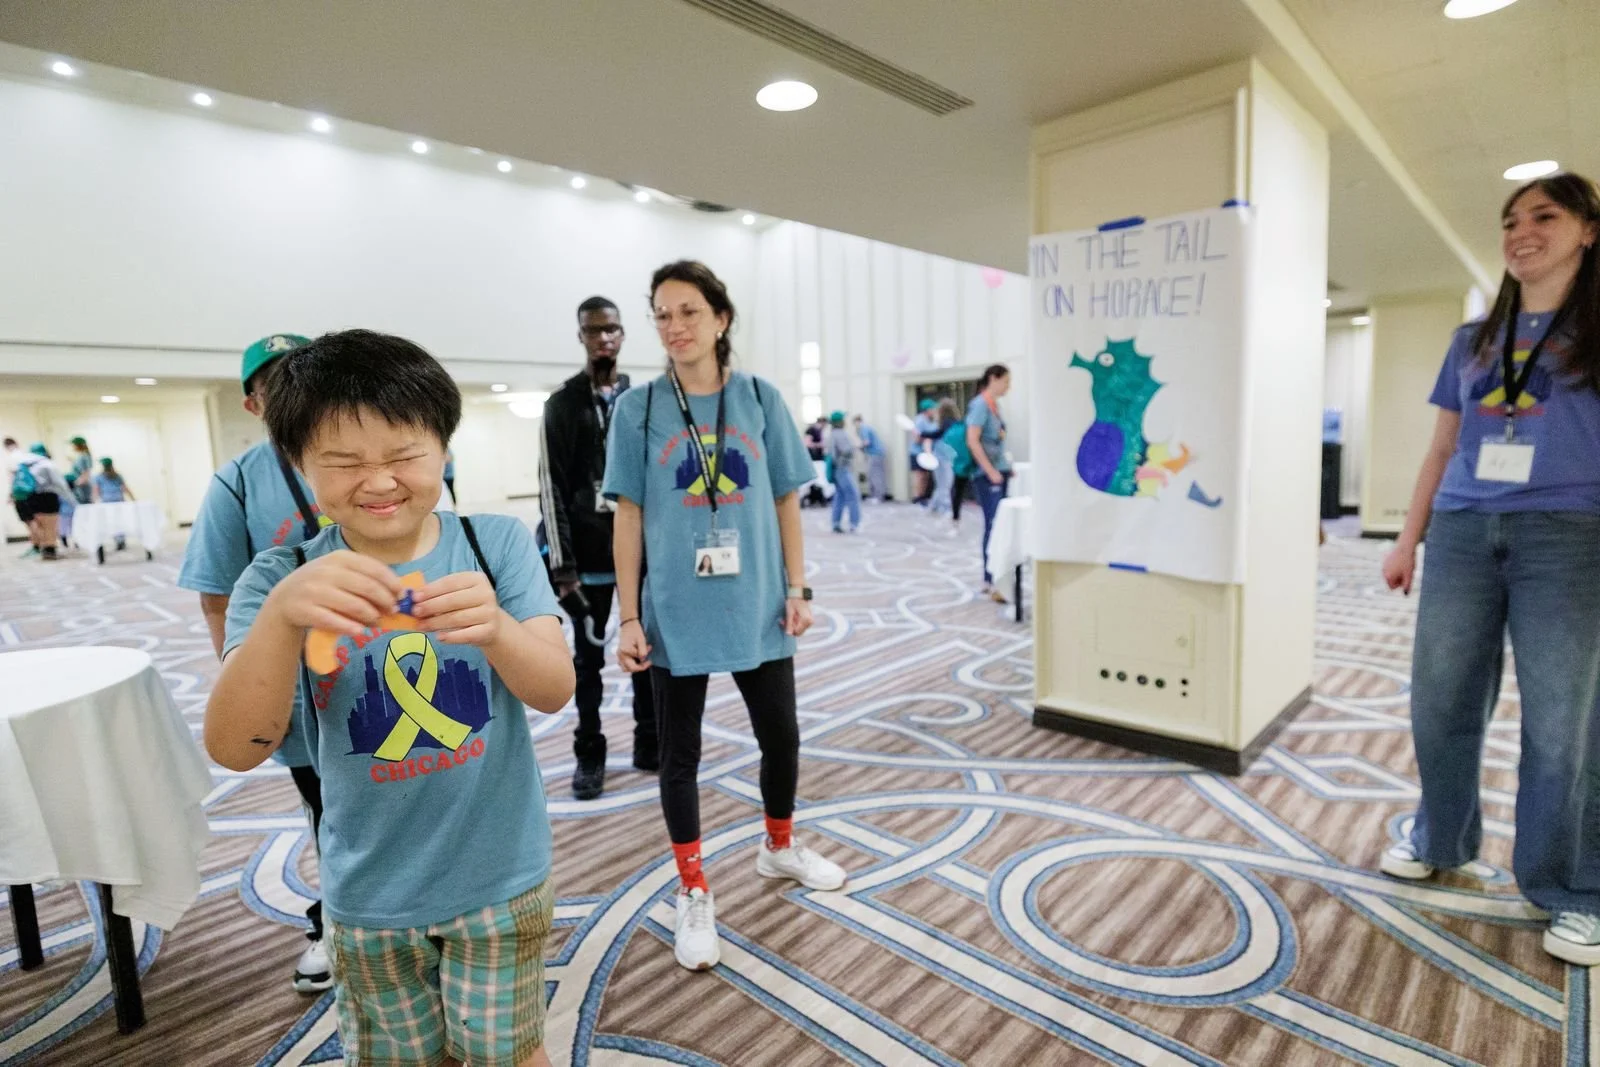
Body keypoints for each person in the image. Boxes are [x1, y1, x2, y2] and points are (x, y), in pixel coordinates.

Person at [205, 329, 573, 1067]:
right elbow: (236, 748)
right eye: (344, 463)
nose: (378, 483)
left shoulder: (494, 544)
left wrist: (498, 629)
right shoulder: (277, 578)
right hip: (369, 892)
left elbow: (554, 688)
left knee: (510, 1053)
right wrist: (281, 618)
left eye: (405, 455)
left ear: (443, 449)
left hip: (499, 876)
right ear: (300, 464)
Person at [1379, 172, 1600, 966]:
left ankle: (1572, 885)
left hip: (1568, 534)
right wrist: (1408, 538)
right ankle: (1441, 836)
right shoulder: (1472, 341)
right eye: (1510, 220)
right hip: (1464, 530)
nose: (1520, 231)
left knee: (1564, 720)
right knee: (1440, 698)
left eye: (1544, 215)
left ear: (1588, 231)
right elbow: (1442, 446)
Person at [604, 260, 846, 973]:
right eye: (661, 314)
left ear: (721, 318)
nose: (674, 326)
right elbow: (628, 516)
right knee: (679, 755)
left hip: (758, 601)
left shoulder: (760, 398)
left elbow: (785, 500)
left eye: (688, 311)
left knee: (782, 737)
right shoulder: (639, 408)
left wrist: (799, 589)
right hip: (676, 609)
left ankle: (779, 846)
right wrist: (627, 616)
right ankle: (693, 887)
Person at [178, 333, 339, 993]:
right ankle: (337, 924)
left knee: (409, 789)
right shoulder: (238, 482)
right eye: (276, 383)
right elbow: (217, 597)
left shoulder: (356, 449)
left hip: (391, 668)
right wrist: (246, 679)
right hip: (302, 687)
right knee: (330, 808)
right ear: (253, 403)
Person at [540, 295, 658, 800]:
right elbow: (551, 487)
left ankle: (650, 741)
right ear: (582, 337)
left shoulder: (642, 400)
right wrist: (562, 567)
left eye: (611, 329)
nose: (604, 338)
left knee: (646, 655)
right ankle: (589, 752)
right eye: (594, 330)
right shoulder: (562, 404)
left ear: (623, 334)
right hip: (585, 564)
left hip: (639, 560)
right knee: (587, 665)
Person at [968, 364, 1013, 602]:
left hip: (999, 471)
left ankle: (999, 575)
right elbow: (973, 440)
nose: (1008, 387)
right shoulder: (980, 405)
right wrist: (990, 470)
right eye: (1006, 381)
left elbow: (997, 441)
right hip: (987, 476)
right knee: (993, 524)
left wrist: (1005, 467)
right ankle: (990, 577)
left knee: (1001, 524)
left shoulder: (995, 406)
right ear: (993, 379)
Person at [11, 443, 69, 561]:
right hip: (48, 496)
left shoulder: (25, 463)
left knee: (39, 524)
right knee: (50, 524)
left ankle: (44, 549)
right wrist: (70, 498)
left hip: (31, 497)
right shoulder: (46, 463)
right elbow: (59, 483)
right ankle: (50, 550)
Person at [934, 398, 974, 534]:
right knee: (957, 488)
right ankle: (952, 516)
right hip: (965, 457)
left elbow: (937, 435)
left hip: (954, 459)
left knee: (953, 488)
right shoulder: (959, 423)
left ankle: (954, 518)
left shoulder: (946, 424)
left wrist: (921, 433)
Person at [827, 410, 860, 533]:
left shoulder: (831, 434)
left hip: (836, 469)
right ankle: (854, 523)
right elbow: (847, 450)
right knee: (852, 495)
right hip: (843, 468)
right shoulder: (841, 434)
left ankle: (835, 523)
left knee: (839, 496)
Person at [92, 456, 133, 555]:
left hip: (107, 503)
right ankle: (121, 540)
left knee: (111, 521)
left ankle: (118, 540)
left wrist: (94, 502)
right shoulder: (117, 476)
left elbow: (96, 490)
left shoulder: (99, 477)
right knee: (119, 520)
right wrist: (133, 499)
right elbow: (125, 488)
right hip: (118, 501)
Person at [910, 398, 940, 504]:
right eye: (933, 409)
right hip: (917, 452)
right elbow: (916, 438)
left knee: (926, 475)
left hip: (929, 453)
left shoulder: (932, 421)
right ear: (927, 410)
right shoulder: (920, 420)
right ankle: (917, 497)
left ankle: (923, 496)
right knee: (920, 475)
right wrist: (927, 439)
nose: (935, 411)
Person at [853, 415, 888, 502]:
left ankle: (878, 497)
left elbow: (866, 442)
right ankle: (875, 496)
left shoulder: (863, 429)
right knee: (876, 474)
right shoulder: (867, 428)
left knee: (875, 475)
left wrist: (856, 447)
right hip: (876, 454)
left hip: (875, 454)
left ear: (857, 422)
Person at [65, 436, 94, 505]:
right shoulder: (81, 456)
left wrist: (74, 484)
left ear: (78, 445)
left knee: (84, 507)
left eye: (73, 445)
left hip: (83, 488)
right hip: (80, 488)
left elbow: (86, 474)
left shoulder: (84, 456)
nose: (72, 447)